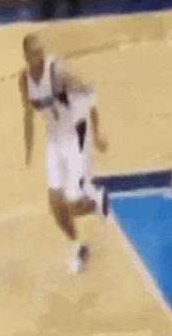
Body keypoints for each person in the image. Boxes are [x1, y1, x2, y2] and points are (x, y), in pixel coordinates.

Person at [19, 34, 109, 274]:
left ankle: (98, 200)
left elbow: (89, 92)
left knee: (71, 203)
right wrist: (28, 147)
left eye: (41, 51)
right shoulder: (24, 79)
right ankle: (78, 246)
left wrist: (97, 132)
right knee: (55, 205)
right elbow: (28, 113)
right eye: (34, 53)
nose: (39, 56)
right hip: (54, 139)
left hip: (76, 135)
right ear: (26, 56)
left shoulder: (57, 71)